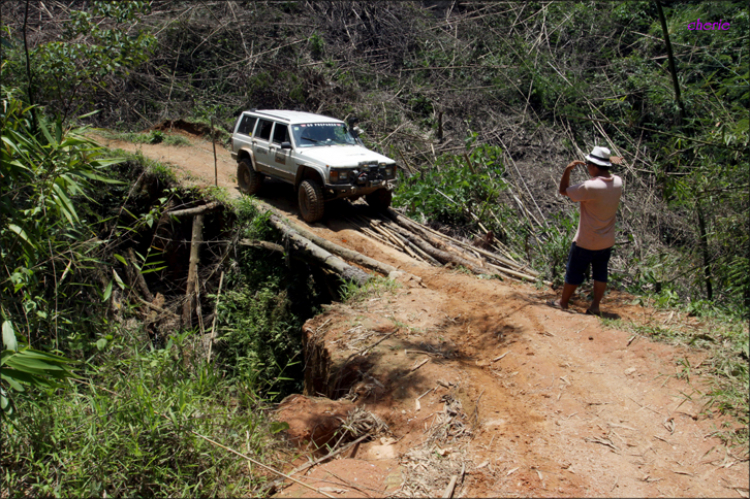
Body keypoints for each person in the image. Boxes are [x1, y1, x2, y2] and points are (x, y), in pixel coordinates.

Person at [552, 146, 623, 315]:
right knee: (600, 273)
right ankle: (595, 306)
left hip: (586, 240)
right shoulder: (618, 182)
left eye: (588, 165)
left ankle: (563, 302)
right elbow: (606, 171)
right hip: (606, 240)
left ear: (594, 166)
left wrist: (567, 170)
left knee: (574, 271)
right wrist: (609, 158)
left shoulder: (590, 187)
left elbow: (563, 190)